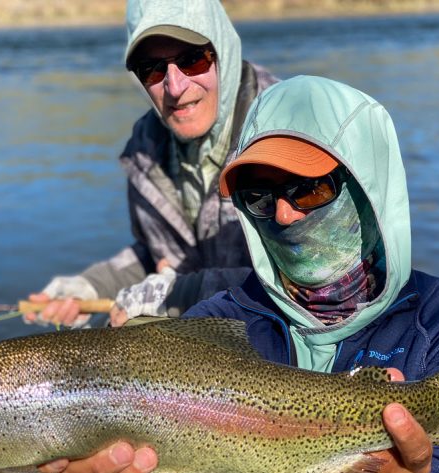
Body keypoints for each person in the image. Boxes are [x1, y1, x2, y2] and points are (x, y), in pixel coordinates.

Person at [39, 75, 439, 473]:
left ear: (370, 186)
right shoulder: (210, 330)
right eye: (259, 196)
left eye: (309, 188)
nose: (284, 214)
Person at [24, 0, 278, 328]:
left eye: (192, 60)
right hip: (205, 345)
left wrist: (183, 292)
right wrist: (91, 287)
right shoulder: (145, 148)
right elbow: (157, 254)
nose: (175, 87)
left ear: (221, 49)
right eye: (153, 69)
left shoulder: (284, 130)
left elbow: (318, 284)